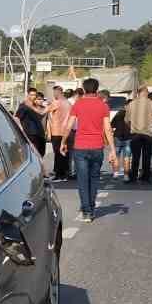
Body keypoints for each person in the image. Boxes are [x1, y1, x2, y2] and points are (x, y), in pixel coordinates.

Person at [60, 78, 122, 221]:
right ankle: (91, 208)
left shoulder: (78, 104)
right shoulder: (103, 106)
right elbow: (107, 128)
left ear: (84, 88)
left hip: (80, 147)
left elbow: (69, 125)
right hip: (97, 147)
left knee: (82, 179)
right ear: (96, 88)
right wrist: (112, 150)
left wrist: (63, 142)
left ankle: (86, 211)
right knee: (94, 179)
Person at [124, 89, 152, 184]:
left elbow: (126, 120)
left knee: (135, 157)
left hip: (135, 133)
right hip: (148, 133)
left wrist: (132, 127)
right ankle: (146, 176)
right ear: (146, 93)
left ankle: (133, 176)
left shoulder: (132, 104)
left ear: (138, 93)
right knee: (147, 156)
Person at [16, 86, 48, 161]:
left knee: (41, 154)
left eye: (34, 95)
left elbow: (42, 113)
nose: (33, 97)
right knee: (34, 155)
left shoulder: (36, 106)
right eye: (31, 95)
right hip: (30, 134)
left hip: (40, 134)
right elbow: (17, 118)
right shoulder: (24, 106)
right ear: (28, 95)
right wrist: (22, 131)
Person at [47, 88, 72, 180]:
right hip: (66, 131)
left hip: (57, 131)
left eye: (54, 92)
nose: (53, 94)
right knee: (65, 152)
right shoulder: (68, 103)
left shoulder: (57, 102)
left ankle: (58, 174)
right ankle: (65, 173)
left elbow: (43, 112)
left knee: (57, 153)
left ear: (57, 92)